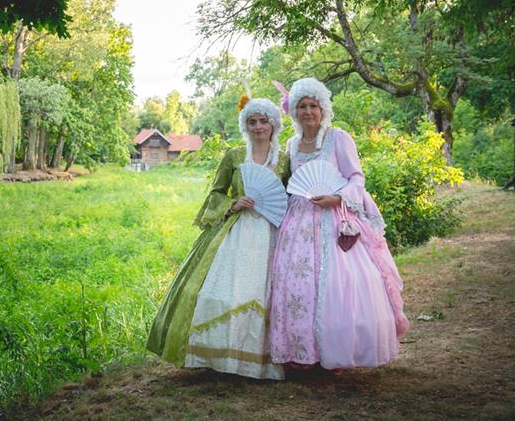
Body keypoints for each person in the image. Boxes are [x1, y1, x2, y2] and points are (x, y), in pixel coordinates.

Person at [269, 78, 410, 369]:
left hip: (335, 218)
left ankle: (340, 351)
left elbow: (356, 177)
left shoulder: (338, 138)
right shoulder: (292, 145)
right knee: (297, 283)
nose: (308, 111)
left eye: (313, 105)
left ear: (323, 109)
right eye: (302, 106)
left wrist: (337, 197)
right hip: (298, 222)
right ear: (293, 111)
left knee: (338, 283)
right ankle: (304, 352)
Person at [147, 96, 289, 380]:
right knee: (224, 291)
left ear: (274, 124)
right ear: (245, 125)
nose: (258, 127)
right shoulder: (234, 156)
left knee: (262, 293)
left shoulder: (285, 159)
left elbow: (289, 197)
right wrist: (232, 204)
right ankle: (220, 358)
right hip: (235, 232)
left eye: (263, 121)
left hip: (271, 234)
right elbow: (216, 193)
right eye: (252, 122)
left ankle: (257, 361)